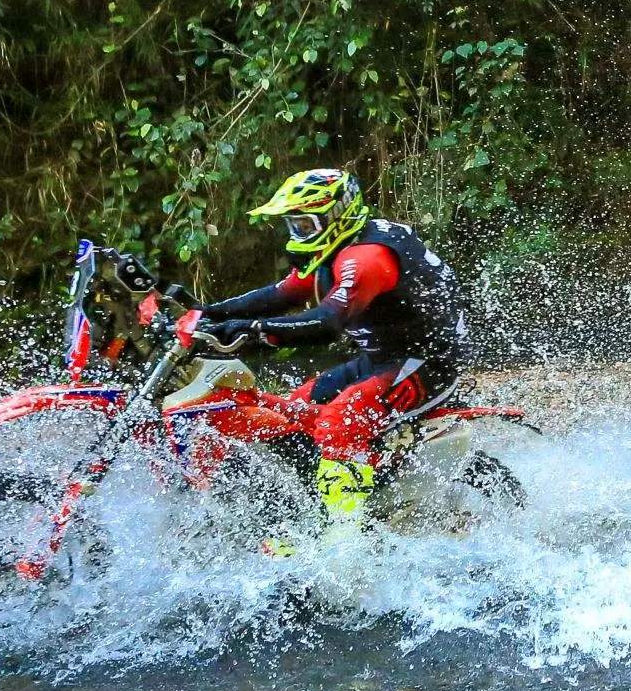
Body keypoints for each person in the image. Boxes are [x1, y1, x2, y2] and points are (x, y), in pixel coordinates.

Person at [199, 168, 467, 550]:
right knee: (289, 413)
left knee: (340, 421)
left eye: (305, 225)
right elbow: (281, 294)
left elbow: (327, 323)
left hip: (426, 364)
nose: (298, 235)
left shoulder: (367, 257)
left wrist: (253, 330)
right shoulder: (336, 250)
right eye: (293, 225)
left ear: (337, 216)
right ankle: (318, 508)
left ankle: (345, 542)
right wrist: (204, 313)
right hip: (381, 358)